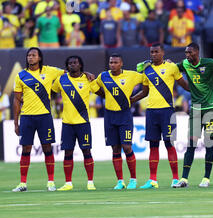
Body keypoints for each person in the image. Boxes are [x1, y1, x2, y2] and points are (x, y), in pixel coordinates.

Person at [172, 42, 213, 188]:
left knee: (209, 143)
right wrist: (166, 63)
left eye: (190, 52)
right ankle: (184, 179)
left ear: (197, 52)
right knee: (191, 142)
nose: (187, 55)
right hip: (196, 109)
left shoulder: (209, 63)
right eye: (186, 53)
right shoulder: (185, 64)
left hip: (211, 108)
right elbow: (172, 69)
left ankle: (206, 178)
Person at [131, 43, 189, 188]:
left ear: (163, 53)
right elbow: (144, 92)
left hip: (167, 111)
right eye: (152, 52)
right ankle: (153, 180)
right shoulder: (147, 70)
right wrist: (131, 100)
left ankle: (175, 179)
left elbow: (184, 85)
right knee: (153, 146)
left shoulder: (172, 67)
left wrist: (198, 89)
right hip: (151, 112)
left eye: (156, 52)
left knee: (169, 144)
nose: (153, 54)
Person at [12, 47, 65, 192]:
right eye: (29, 55)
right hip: (27, 117)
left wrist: (86, 74)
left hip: (44, 117)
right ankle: (23, 183)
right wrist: (16, 123)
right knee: (25, 149)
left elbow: (69, 72)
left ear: (39, 58)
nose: (30, 57)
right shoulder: (21, 76)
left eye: (34, 55)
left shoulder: (49, 71)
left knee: (47, 148)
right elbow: (17, 101)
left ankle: (51, 182)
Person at [93, 54, 143, 190]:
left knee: (127, 147)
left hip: (124, 115)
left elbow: (147, 80)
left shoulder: (131, 75)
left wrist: (134, 98)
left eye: (115, 62)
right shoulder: (103, 76)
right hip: (109, 115)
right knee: (115, 149)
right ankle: (120, 181)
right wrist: (102, 94)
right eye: (111, 62)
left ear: (121, 64)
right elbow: (94, 86)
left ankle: (133, 179)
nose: (112, 65)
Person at [51, 56, 97, 191]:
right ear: (67, 66)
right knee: (67, 153)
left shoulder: (87, 79)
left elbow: (100, 92)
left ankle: (90, 182)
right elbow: (52, 93)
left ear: (80, 65)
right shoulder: (61, 79)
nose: (72, 65)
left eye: (75, 63)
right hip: (67, 123)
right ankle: (68, 183)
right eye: (70, 63)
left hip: (83, 123)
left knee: (86, 152)